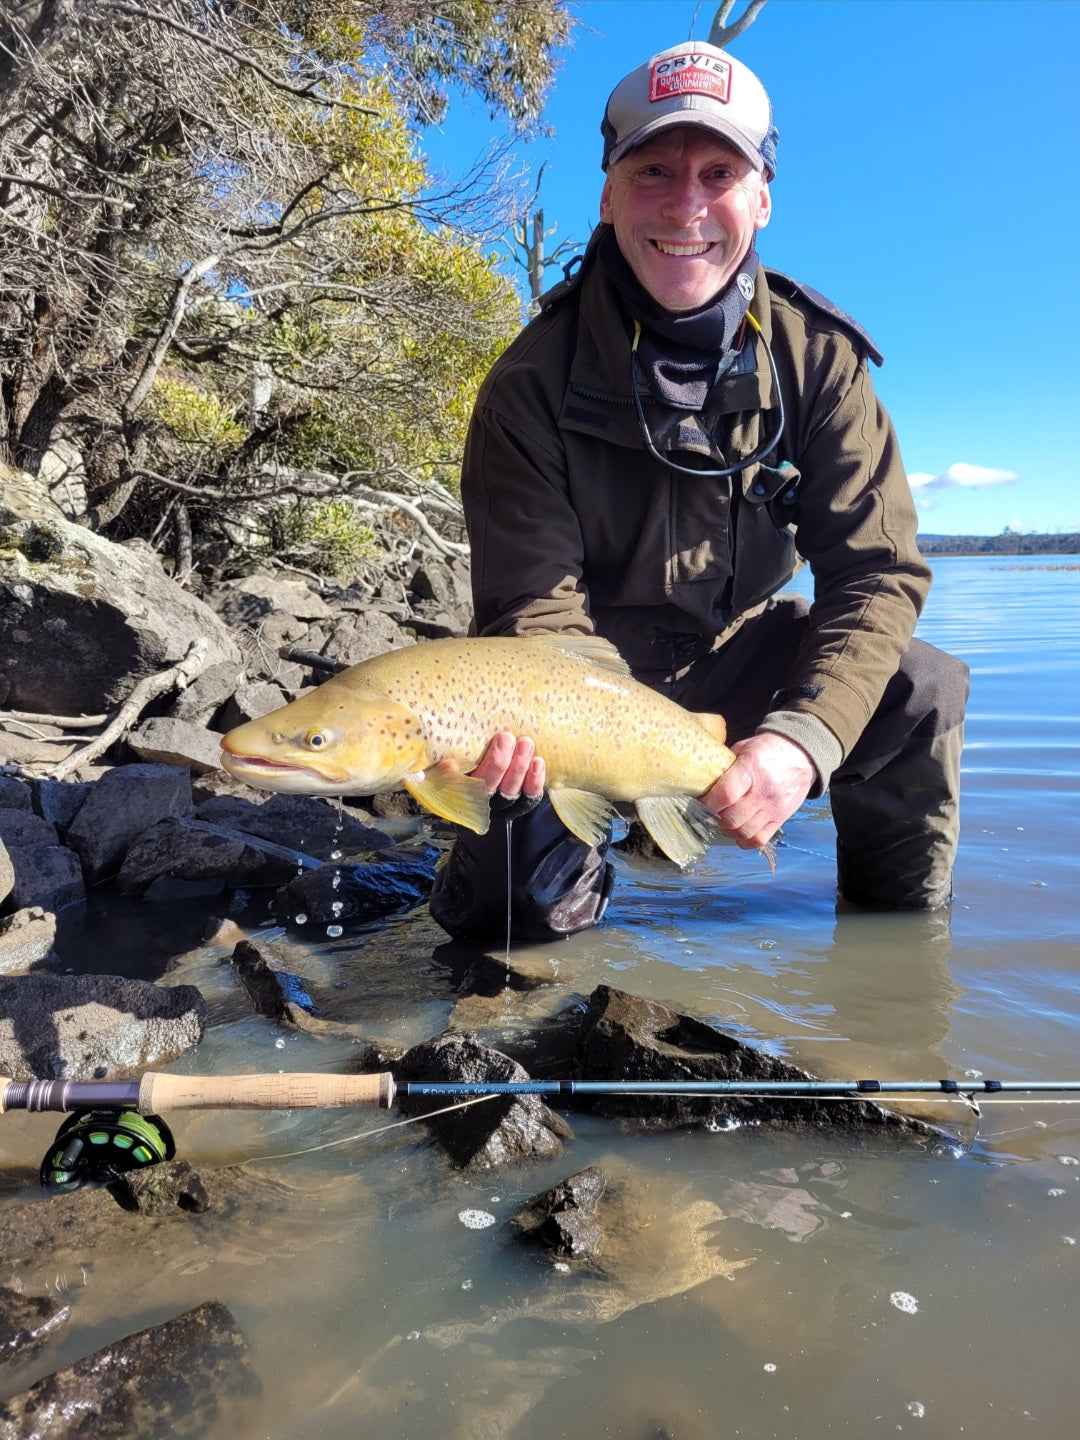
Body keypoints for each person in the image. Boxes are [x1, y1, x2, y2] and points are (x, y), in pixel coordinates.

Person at [429, 40, 970, 943]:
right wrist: (612, 755)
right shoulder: (528, 385)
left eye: (718, 172)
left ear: (761, 197)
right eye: (653, 171)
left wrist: (802, 739)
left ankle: (896, 955)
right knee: (510, 924)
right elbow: (535, 612)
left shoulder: (818, 363)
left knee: (921, 689)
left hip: (736, 658)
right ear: (607, 194)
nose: (686, 206)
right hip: (577, 680)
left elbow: (876, 575)